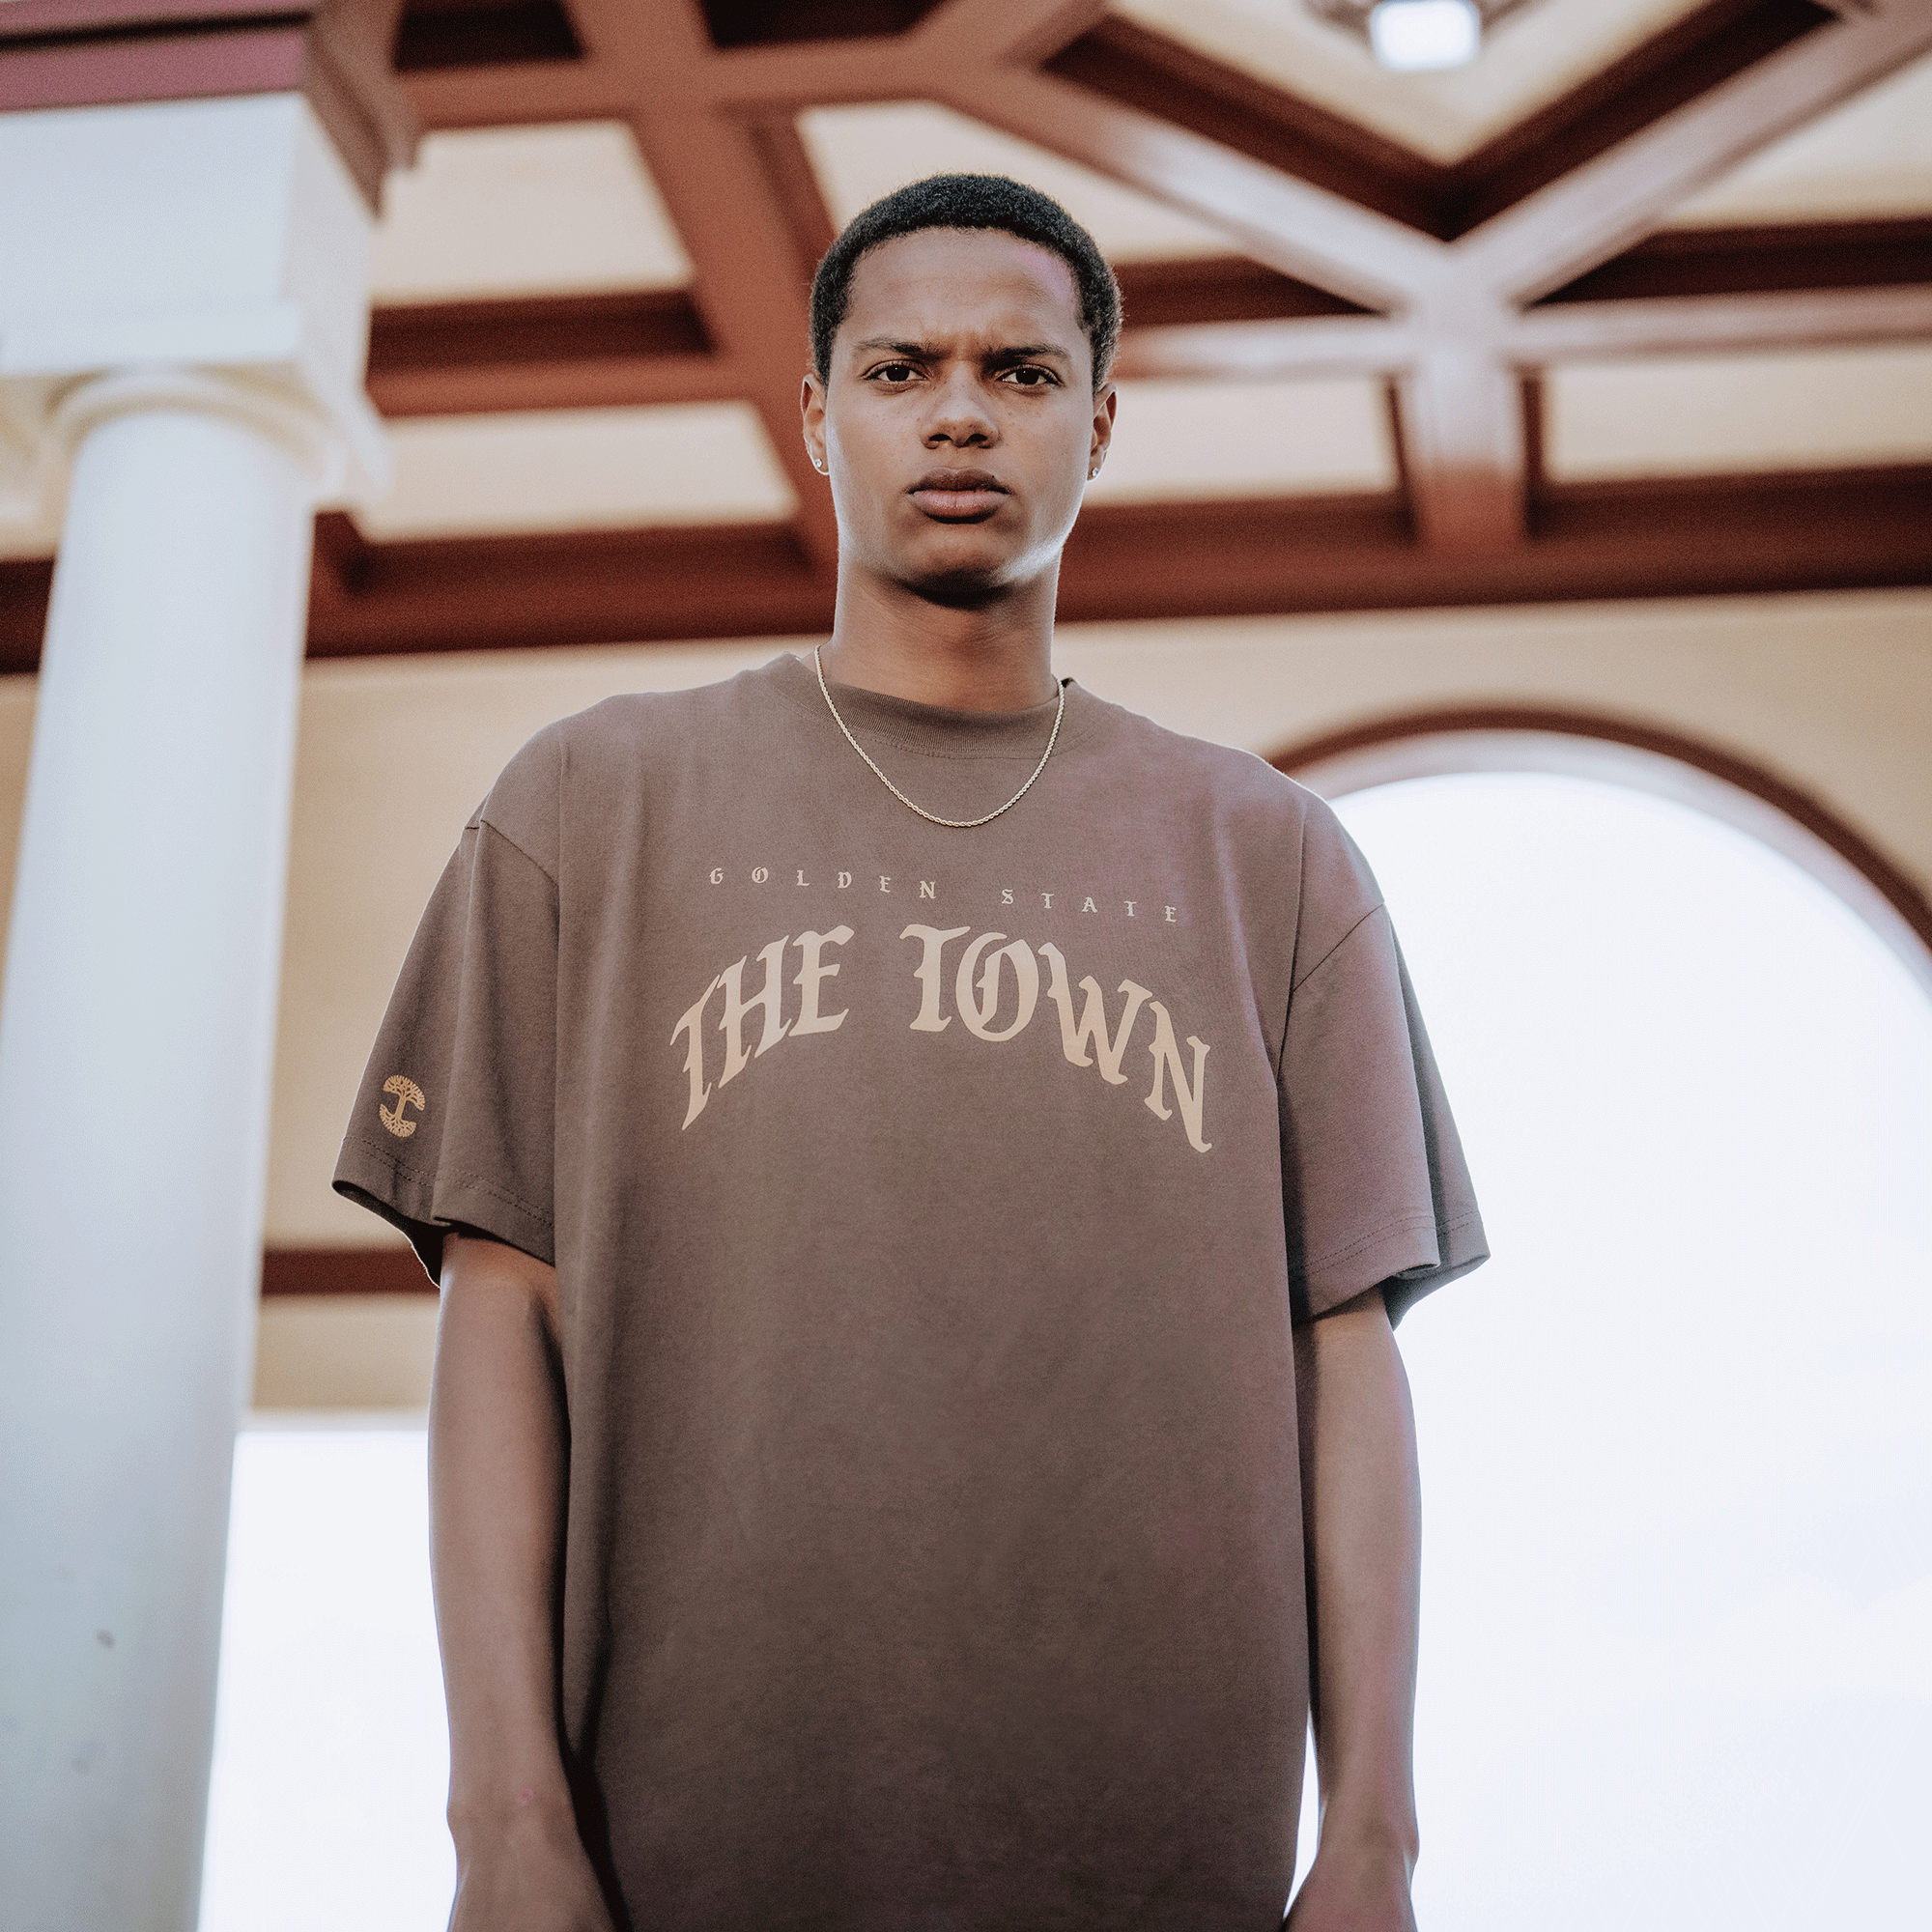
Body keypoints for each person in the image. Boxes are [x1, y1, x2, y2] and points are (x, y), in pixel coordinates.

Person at [335, 173, 1486, 1932]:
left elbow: (1349, 1367)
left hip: (1166, 1860)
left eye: (1021, 376)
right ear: (818, 421)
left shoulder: (1270, 860)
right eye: (901, 371)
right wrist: (502, 1824)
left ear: (1101, 426)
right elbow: (502, 1309)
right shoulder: (594, 806)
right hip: (684, 1863)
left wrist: (1379, 1840)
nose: (960, 411)